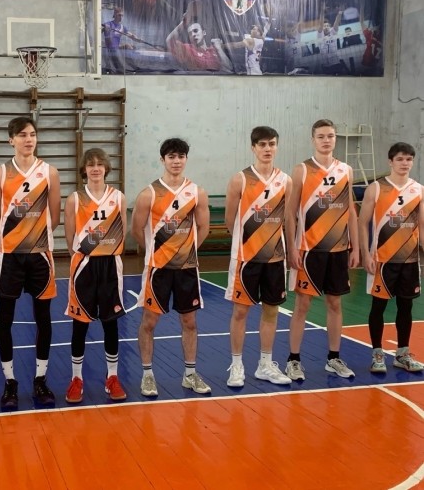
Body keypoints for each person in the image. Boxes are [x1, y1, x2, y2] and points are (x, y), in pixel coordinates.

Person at [0, 116, 61, 409]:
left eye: (32, 134)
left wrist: (34, 239)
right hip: (10, 257)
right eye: (22, 135)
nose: (28, 139)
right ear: (11, 140)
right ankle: (10, 382)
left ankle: (40, 379)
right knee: (4, 319)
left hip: (40, 256)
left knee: (43, 319)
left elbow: (54, 217)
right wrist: (16, 239)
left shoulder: (50, 172)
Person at [132, 137, 211, 396]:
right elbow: (136, 230)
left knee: (189, 321)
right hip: (157, 269)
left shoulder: (196, 192)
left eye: (181, 156)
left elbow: (203, 227)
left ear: (186, 159)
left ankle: (190, 374)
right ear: (163, 159)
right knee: (149, 322)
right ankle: (147, 375)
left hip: (187, 269)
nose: (176, 161)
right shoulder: (149, 193)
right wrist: (157, 253)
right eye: (171, 157)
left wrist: (186, 252)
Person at [285, 119, 359, 380]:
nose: (326, 140)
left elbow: (351, 211)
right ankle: (293, 360)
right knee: (302, 304)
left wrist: (355, 247)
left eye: (330, 136)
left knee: (335, 303)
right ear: (313, 139)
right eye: (321, 136)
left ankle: (333, 358)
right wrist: (292, 247)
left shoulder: (346, 170)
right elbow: (290, 213)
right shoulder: (302, 170)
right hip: (308, 250)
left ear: (335, 138)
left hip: (338, 250)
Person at [224, 127, 293, 387]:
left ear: (277, 147)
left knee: (271, 310)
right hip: (246, 259)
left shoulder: (285, 180)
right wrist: (249, 242)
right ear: (253, 147)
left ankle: (265, 364)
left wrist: (290, 249)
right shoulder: (240, 179)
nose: (267, 149)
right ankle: (237, 365)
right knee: (241, 311)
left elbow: (288, 218)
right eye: (262, 144)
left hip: (275, 258)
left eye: (271, 144)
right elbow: (230, 220)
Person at [63, 148, 127, 404]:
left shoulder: (118, 197)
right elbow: (70, 236)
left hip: (110, 265)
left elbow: (122, 230)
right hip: (84, 266)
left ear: (106, 168)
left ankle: (112, 377)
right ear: (84, 169)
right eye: (91, 164)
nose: (96, 168)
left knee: (111, 323)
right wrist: (84, 254)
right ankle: (76, 378)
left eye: (100, 164)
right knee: (80, 324)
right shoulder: (75, 199)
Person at [358, 142, 424, 373]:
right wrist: (365, 254)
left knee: (406, 307)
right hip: (382, 260)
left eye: (409, 159)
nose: (405, 163)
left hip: (409, 261)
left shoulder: (419, 190)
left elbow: (422, 227)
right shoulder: (376, 188)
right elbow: (362, 223)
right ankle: (377, 354)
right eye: (400, 159)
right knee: (378, 307)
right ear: (390, 161)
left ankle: (402, 354)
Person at [166, 17, 233, 72]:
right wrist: (183, 23)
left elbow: (229, 68)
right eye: (190, 33)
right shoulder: (187, 49)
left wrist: (219, 49)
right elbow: (169, 41)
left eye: (195, 31)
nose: (193, 35)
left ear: (204, 33)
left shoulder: (214, 50)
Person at [317, 3, 348, 74]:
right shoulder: (320, 35)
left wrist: (340, 12)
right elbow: (320, 24)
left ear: (330, 27)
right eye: (325, 26)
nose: (326, 27)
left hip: (335, 63)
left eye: (327, 26)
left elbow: (336, 22)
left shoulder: (332, 32)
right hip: (326, 65)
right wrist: (322, 11)